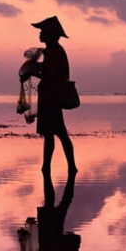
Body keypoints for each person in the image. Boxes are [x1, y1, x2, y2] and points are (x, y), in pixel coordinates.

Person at [30, 16, 77, 175]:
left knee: (58, 134)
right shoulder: (53, 51)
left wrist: (32, 72)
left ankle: (64, 167)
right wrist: (34, 69)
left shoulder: (54, 51)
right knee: (53, 134)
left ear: (50, 34)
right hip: (50, 98)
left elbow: (51, 75)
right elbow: (47, 70)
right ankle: (50, 167)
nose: (40, 34)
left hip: (51, 99)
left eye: (43, 31)